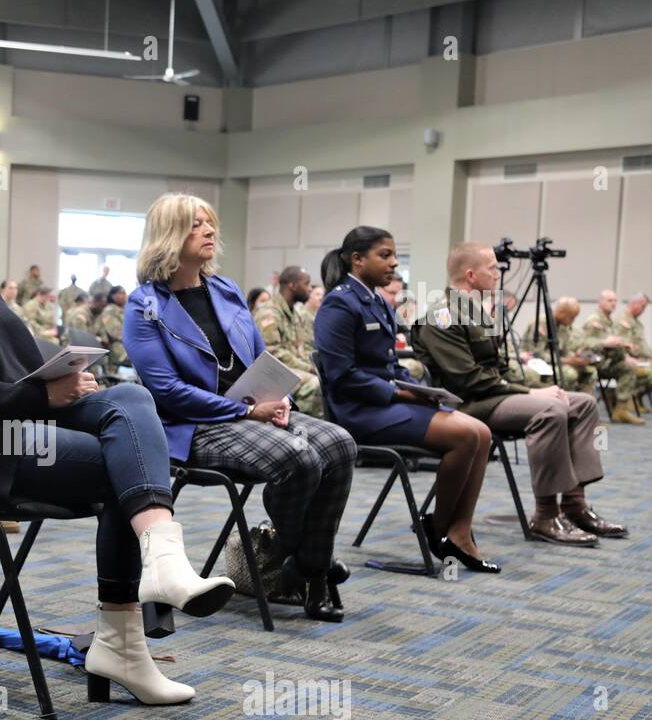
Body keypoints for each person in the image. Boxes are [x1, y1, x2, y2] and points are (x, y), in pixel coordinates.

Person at [0, 154, 234, 705]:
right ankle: (125, 641)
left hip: (15, 423)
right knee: (124, 469)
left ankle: (160, 563)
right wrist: (37, 395)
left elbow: (24, 358)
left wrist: (69, 375)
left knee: (130, 398)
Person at [124, 195, 356, 621]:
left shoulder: (226, 289)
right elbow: (166, 391)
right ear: (169, 236)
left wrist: (279, 395)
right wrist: (246, 413)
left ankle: (305, 565)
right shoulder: (144, 305)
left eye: (211, 223)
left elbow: (261, 357)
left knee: (340, 444)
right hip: (193, 425)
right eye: (197, 225)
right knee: (300, 457)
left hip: (253, 412)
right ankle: (311, 568)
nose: (211, 231)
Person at [411, 242, 625, 546]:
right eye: (492, 268)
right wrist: (532, 394)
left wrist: (539, 388)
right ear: (470, 275)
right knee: (550, 410)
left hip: (494, 397)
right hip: (466, 406)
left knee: (583, 403)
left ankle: (574, 504)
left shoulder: (481, 312)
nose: (499, 274)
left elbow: (500, 369)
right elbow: (468, 380)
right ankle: (546, 515)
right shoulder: (441, 317)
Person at [315, 226, 500, 572]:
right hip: (359, 413)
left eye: (394, 255)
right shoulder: (339, 303)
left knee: (483, 434)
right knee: (465, 435)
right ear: (357, 260)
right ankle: (437, 528)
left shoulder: (376, 301)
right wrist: (398, 391)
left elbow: (388, 364)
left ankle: (460, 533)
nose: (394, 263)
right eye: (384, 255)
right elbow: (341, 375)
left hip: (389, 404)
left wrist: (419, 388)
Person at [252, 266, 322, 417]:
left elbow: (300, 350)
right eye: (307, 284)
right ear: (293, 285)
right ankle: (301, 428)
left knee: (327, 378)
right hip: (273, 372)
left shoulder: (295, 313)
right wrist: (309, 369)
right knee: (316, 384)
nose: (310, 289)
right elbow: (272, 354)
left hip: (292, 369)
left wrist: (314, 366)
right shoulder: (269, 313)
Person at [581, 289, 649, 425]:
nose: (613, 304)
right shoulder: (594, 321)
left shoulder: (608, 321)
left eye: (615, 301)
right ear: (601, 302)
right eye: (609, 300)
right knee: (591, 374)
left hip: (608, 362)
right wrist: (605, 343)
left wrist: (623, 346)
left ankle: (620, 410)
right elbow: (585, 345)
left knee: (628, 368)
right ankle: (590, 417)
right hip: (595, 363)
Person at [95, 286, 130, 370]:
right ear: (112, 296)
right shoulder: (110, 310)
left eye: (124, 293)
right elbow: (116, 333)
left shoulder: (125, 310)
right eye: (121, 293)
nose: (124, 295)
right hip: (118, 349)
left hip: (127, 345)